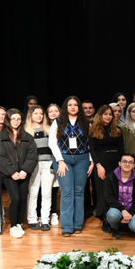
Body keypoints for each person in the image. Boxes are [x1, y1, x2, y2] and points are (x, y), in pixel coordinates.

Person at [48, 96, 94, 237]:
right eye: (70, 105)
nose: (73, 107)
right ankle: (67, 226)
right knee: (67, 192)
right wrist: (60, 161)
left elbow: (91, 143)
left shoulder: (86, 123)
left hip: (82, 159)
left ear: (79, 107)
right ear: (65, 107)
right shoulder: (58, 122)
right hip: (63, 160)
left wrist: (91, 161)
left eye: (75, 105)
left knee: (79, 192)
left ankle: (77, 224)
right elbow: (52, 143)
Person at [0, 109, 37, 238]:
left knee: (22, 198)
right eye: (13, 119)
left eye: (18, 119)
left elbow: (32, 155)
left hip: (23, 173)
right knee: (14, 198)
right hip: (9, 174)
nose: (16, 121)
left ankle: (20, 223)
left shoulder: (27, 137)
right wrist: (11, 172)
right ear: (8, 120)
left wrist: (25, 170)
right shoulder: (1, 137)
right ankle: (13, 226)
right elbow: (0, 157)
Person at [89, 105, 124, 232]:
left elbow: (121, 149)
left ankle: (114, 216)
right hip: (101, 163)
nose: (108, 116)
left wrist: (122, 164)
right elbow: (92, 150)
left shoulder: (118, 129)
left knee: (115, 190)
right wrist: (98, 165)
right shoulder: (94, 130)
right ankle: (104, 218)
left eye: (110, 114)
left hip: (116, 162)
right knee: (103, 191)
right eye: (105, 114)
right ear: (100, 115)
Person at [23, 106, 54, 232]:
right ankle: (32, 219)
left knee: (47, 193)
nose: (39, 116)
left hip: (48, 163)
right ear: (31, 115)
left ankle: (45, 220)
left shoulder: (49, 129)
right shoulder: (26, 130)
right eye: (36, 113)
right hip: (34, 165)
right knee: (33, 192)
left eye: (41, 114)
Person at [103, 153, 135, 239]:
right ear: (119, 163)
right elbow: (108, 197)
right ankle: (115, 227)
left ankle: (128, 225)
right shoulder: (110, 177)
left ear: (134, 165)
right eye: (124, 161)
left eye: (130, 162)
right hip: (117, 208)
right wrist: (123, 210)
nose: (127, 164)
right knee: (112, 216)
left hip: (133, 209)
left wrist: (130, 213)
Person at [46, 104, 61, 225]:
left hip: (58, 160)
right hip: (44, 161)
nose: (53, 113)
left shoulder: (62, 126)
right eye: (50, 111)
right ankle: (44, 214)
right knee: (44, 190)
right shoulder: (44, 127)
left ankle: (54, 213)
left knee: (55, 189)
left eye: (56, 111)